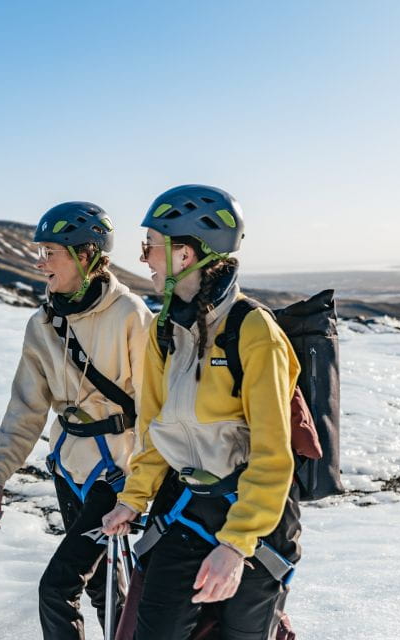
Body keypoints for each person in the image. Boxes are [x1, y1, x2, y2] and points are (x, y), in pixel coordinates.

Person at [102, 185, 302, 640]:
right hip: (187, 508)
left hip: (255, 521)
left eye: (151, 246)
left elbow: (273, 455)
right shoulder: (164, 331)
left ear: (186, 254)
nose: (144, 258)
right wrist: (133, 499)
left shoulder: (253, 331)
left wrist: (235, 546)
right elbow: (154, 432)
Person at [0, 202, 153, 640]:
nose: (40, 263)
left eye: (50, 252)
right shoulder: (42, 324)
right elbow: (26, 407)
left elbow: (155, 406)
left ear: (85, 254)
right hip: (68, 469)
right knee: (102, 588)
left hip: (114, 474)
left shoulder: (130, 315)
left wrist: (141, 489)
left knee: (56, 589)